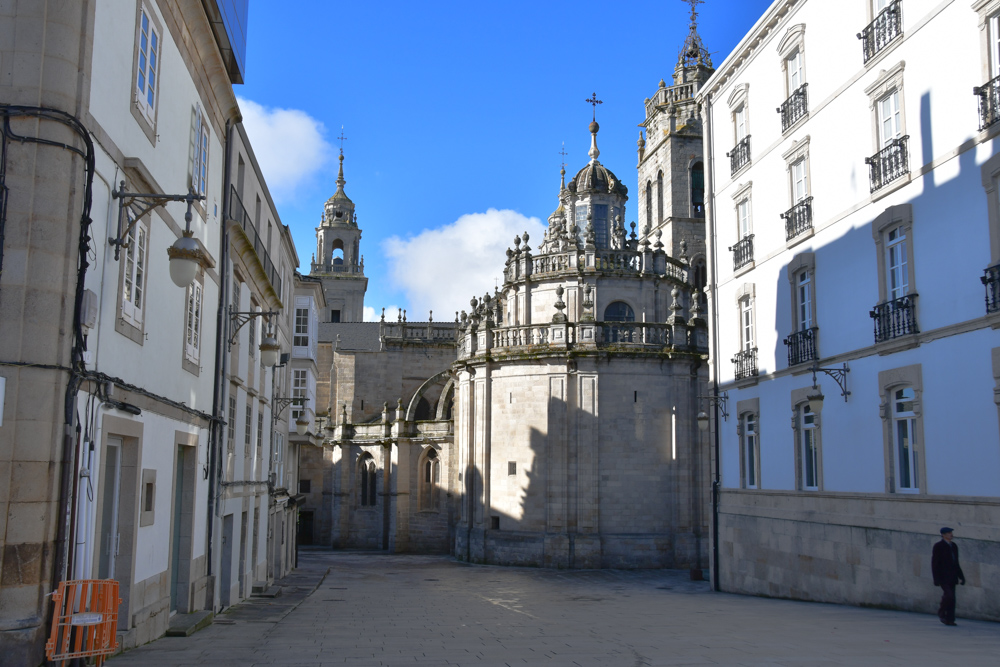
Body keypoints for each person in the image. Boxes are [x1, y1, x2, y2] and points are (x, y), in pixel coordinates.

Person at [931, 527, 965, 626]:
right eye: (949, 533)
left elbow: (956, 562)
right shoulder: (938, 546)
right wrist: (936, 578)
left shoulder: (953, 546)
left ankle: (950, 619)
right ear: (943, 535)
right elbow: (935, 563)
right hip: (943, 577)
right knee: (949, 595)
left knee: (952, 598)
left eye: (951, 532)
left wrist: (961, 577)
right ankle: (941, 612)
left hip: (953, 576)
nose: (951, 534)